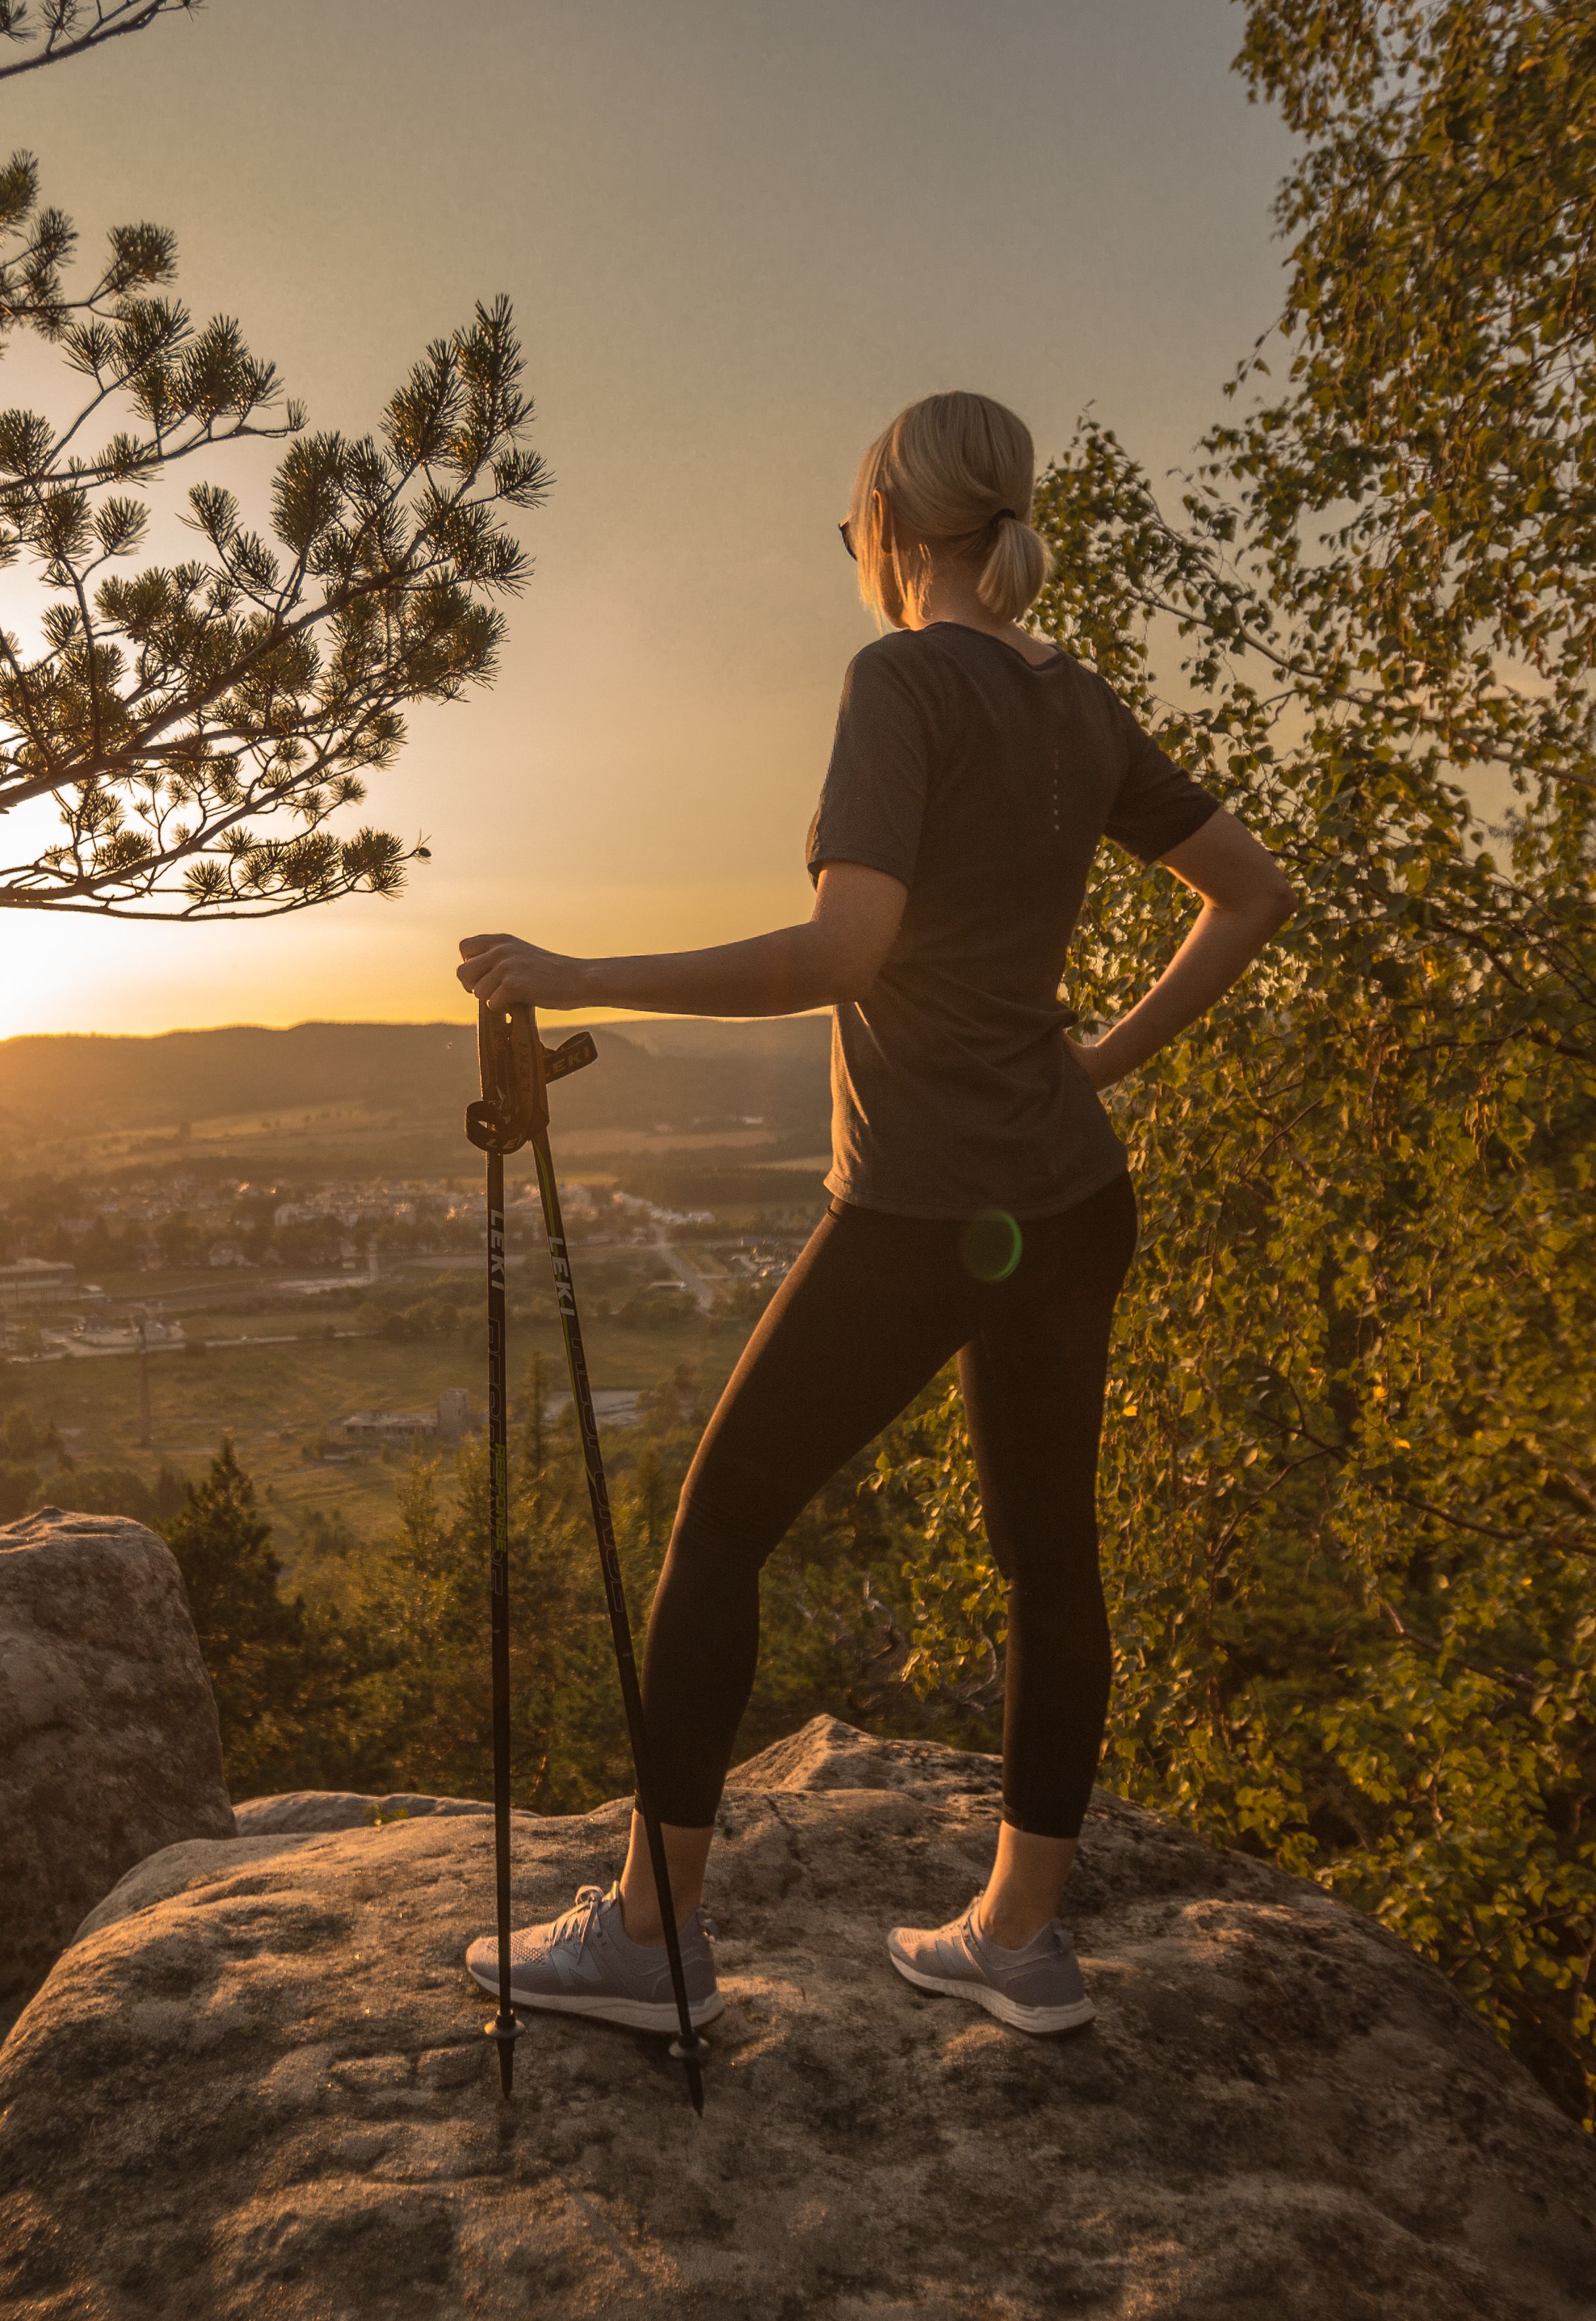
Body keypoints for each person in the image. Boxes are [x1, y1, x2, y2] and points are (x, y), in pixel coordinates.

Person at [451, 390, 1297, 2037]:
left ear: (894, 530)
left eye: (852, 530)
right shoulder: (1079, 704)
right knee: (1055, 1566)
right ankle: (1020, 1941)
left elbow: (843, 952)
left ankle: (648, 1938)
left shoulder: (902, 679)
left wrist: (578, 973)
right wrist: (1102, 1058)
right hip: (1068, 1195)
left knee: (719, 1528)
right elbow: (1253, 891)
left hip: (925, 1203)